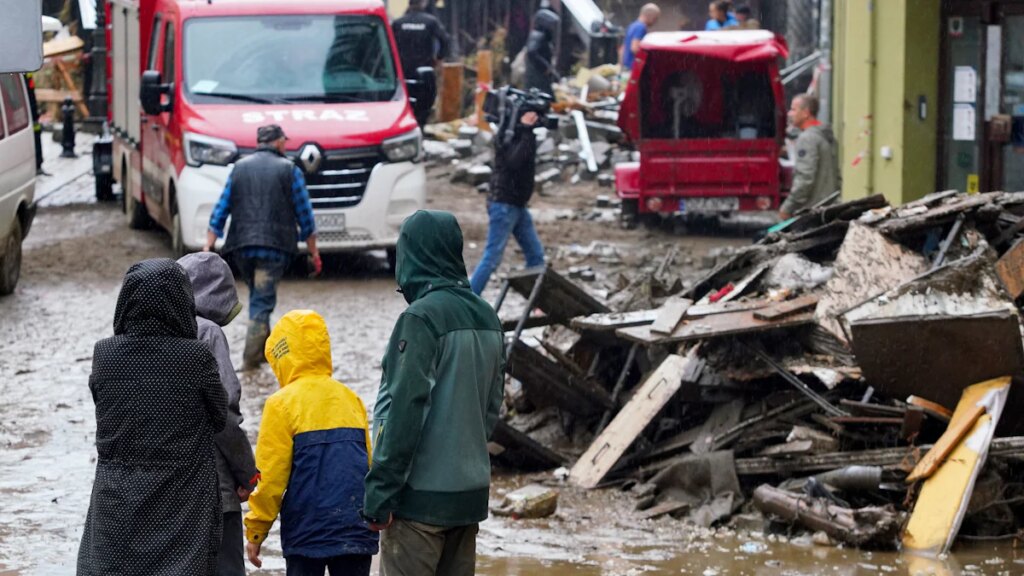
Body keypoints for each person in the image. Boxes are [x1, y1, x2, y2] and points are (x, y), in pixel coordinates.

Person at [363, 210, 505, 576]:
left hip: (418, 505)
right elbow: (491, 409)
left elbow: (404, 410)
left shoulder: (421, 319)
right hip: (468, 497)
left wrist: (380, 492)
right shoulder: (488, 317)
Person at [78, 258, 227, 576]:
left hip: (117, 495)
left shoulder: (104, 354)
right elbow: (219, 415)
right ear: (181, 301)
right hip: (182, 497)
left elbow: (101, 405)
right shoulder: (196, 356)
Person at [244, 309, 378, 575]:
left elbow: (269, 479)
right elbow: (370, 466)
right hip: (356, 531)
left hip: (307, 533)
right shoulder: (351, 398)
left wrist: (256, 531)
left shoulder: (281, 404)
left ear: (281, 358)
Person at [204, 124, 321, 370]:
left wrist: (208, 245)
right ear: (278, 142)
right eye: (284, 141)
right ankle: (249, 361)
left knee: (259, 296)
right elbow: (305, 217)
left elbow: (220, 210)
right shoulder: (290, 170)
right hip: (275, 249)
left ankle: (266, 354)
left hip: (242, 248)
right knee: (261, 302)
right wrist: (314, 252)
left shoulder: (239, 168)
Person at [179, 252, 260, 576]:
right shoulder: (208, 332)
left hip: (172, 491)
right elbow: (223, 412)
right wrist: (247, 473)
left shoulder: (156, 332)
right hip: (215, 490)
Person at [469, 109, 544, 295]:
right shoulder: (508, 135)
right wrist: (526, 130)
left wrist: (527, 131)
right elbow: (514, 161)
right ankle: (466, 301)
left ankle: (539, 303)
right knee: (492, 258)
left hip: (516, 205)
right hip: (504, 205)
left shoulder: (519, 133)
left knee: (536, 257)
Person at [779, 95, 841, 219]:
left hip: (811, 211)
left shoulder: (807, 139)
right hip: (828, 208)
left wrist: (788, 207)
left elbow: (805, 178)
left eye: (793, 109)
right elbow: (837, 175)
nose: (790, 113)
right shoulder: (827, 136)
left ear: (806, 113)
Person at [392, 0, 449, 127]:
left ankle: (406, 125)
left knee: (403, 101)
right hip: (424, 71)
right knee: (425, 103)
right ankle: (420, 126)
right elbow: (445, 40)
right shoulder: (431, 22)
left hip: (402, 71)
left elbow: (389, 45)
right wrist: (439, 58)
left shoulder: (398, 23)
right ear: (423, 3)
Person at [524, 6, 560, 94]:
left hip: (539, 78)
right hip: (536, 78)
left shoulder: (541, 37)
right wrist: (547, 69)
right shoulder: (537, 35)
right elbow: (532, 52)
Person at [621, 4, 660, 75]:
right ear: (650, 15)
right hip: (633, 67)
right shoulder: (641, 27)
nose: (655, 21)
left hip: (626, 66)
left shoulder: (632, 25)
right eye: (655, 18)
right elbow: (635, 48)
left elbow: (623, 47)